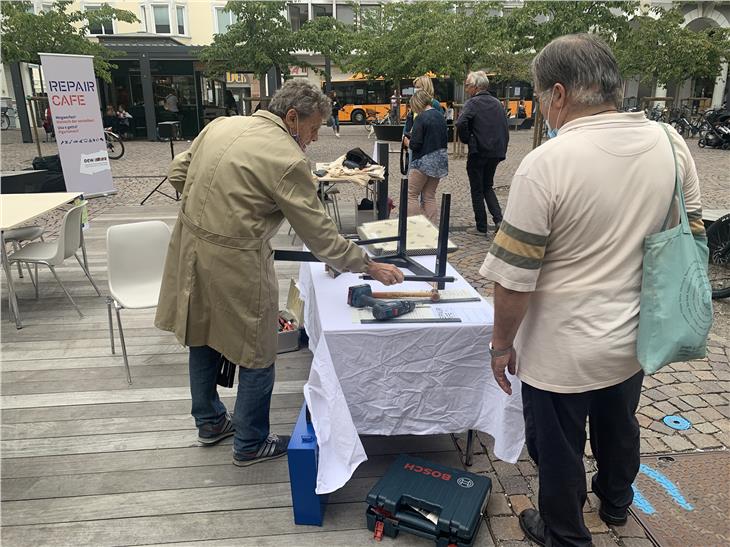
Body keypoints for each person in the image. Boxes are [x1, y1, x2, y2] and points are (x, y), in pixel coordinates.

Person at [479, 34, 705, 547]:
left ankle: (565, 534)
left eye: (538, 97)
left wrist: (500, 345)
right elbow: (690, 231)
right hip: (633, 337)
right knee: (619, 425)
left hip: (560, 349)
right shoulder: (671, 144)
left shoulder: (547, 163)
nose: (542, 109)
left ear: (558, 94)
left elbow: (514, 276)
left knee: (557, 447)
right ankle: (618, 503)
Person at [155, 80, 404, 467]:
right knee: (258, 349)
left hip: (189, 245)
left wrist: (213, 206)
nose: (313, 138)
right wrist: (367, 264)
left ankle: (209, 422)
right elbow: (319, 234)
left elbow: (176, 172)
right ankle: (250, 441)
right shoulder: (287, 159)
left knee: (200, 333)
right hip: (236, 258)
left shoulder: (222, 124)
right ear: (292, 118)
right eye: (313, 129)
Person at [456, 71, 509, 236]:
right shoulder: (497, 103)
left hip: (479, 151)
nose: (466, 90)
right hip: (495, 151)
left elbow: (461, 122)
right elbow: (503, 126)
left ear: (476, 87)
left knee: (477, 189)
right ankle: (499, 219)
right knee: (487, 186)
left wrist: (468, 139)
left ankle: (481, 227)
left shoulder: (473, 103)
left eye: (468, 86)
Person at [406, 89, 448, 223]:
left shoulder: (421, 118)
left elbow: (415, 144)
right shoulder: (440, 116)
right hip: (440, 161)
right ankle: (432, 228)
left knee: (412, 195)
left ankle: (416, 226)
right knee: (429, 196)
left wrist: (407, 142)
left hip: (422, 162)